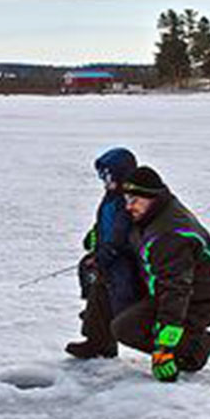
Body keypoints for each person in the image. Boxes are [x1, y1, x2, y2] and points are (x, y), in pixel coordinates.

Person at [110, 165, 210, 382]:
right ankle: (98, 344)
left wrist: (165, 346)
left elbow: (176, 291)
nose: (128, 206)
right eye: (127, 200)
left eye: (135, 200)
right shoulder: (152, 214)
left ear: (151, 198)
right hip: (161, 286)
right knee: (109, 281)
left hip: (194, 302)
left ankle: (194, 348)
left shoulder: (170, 234)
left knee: (125, 328)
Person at [66, 147, 142, 359]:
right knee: (96, 294)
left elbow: (120, 232)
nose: (104, 180)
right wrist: (93, 236)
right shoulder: (110, 197)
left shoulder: (126, 200)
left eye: (107, 175)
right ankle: (96, 340)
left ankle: (104, 341)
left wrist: (106, 253)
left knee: (110, 300)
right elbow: (103, 223)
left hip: (120, 261)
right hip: (105, 255)